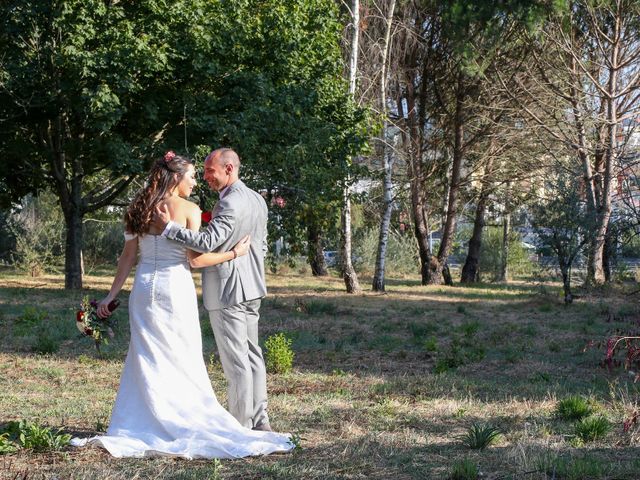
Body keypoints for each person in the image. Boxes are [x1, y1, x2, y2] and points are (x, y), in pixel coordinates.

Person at [71, 151, 293, 459]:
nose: (196, 181)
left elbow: (127, 257)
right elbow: (197, 258)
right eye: (191, 176)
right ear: (176, 177)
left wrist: (110, 295)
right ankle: (183, 417)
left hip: (144, 288)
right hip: (176, 289)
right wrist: (234, 255)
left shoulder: (138, 207)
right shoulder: (189, 209)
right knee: (182, 356)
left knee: (145, 355)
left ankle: (143, 421)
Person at [155, 148, 272, 432]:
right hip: (253, 286)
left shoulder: (230, 202)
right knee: (253, 355)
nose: (206, 177)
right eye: (204, 171)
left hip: (229, 288)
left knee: (236, 361)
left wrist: (170, 229)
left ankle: (241, 425)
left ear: (229, 169)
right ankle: (261, 421)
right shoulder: (257, 199)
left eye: (211, 171)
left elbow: (208, 241)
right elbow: (263, 246)